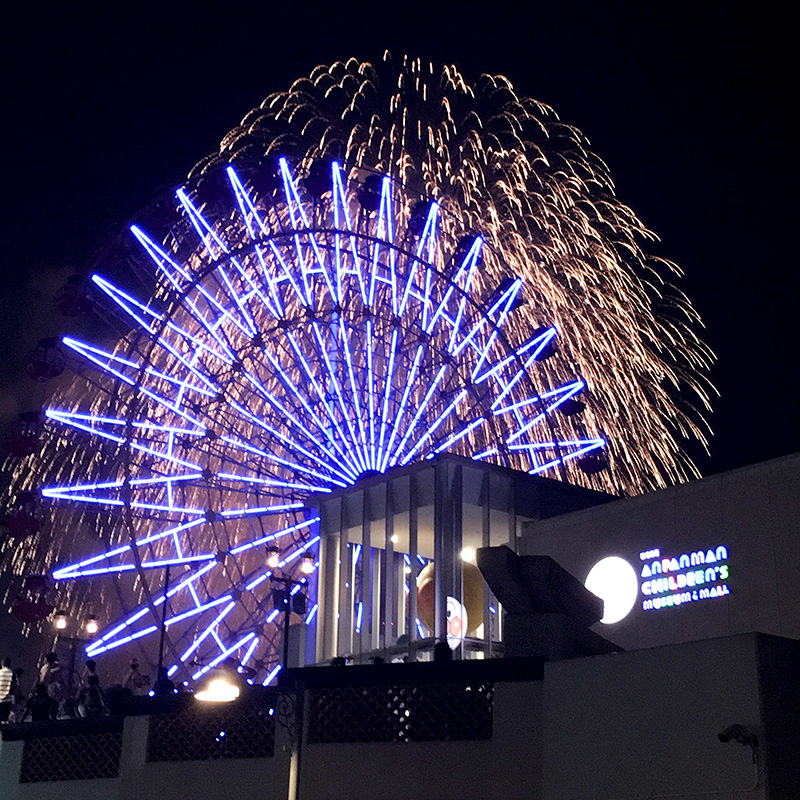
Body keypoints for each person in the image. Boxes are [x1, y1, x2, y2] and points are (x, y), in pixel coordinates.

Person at [38, 652, 62, 719]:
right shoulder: (46, 668)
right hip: (48, 690)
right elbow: (43, 679)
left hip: (49, 690)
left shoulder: (49, 668)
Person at [0, 657, 13, 722]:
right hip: (8, 699)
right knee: (4, 719)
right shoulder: (12, 673)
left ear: (2, 664)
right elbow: (15, 685)